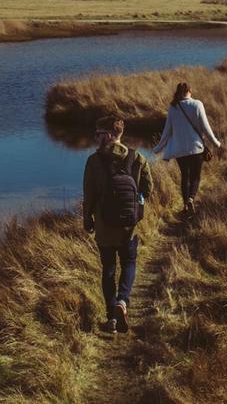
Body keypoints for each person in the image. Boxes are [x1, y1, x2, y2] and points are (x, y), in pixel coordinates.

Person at [83, 115, 152, 335]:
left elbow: (89, 195)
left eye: (99, 134)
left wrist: (88, 219)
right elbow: (148, 189)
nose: (96, 138)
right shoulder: (137, 158)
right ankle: (123, 301)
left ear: (110, 135)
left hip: (104, 227)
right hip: (130, 228)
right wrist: (136, 201)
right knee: (129, 263)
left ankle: (111, 317)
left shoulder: (94, 162)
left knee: (109, 270)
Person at [154, 82, 221, 216]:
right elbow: (206, 127)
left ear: (178, 92)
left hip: (179, 150)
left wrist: (158, 148)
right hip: (196, 149)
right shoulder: (197, 104)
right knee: (196, 176)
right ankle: (191, 199)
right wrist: (216, 142)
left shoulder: (173, 107)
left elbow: (167, 131)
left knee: (185, 176)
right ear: (190, 90)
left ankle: (185, 206)